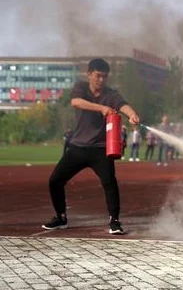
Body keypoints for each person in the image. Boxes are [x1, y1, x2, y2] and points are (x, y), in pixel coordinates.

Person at [43, 58, 140, 234]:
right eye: (98, 76)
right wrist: (101, 108)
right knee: (55, 180)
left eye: (104, 77)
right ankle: (61, 217)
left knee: (110, 183)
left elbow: (122, 105)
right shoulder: (80, 88)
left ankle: (115, 221)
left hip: (100, 149)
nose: (101, 80)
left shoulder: (111, 94)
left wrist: (132, 114)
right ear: (89, 74)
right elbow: (75, 102)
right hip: (77, 147)